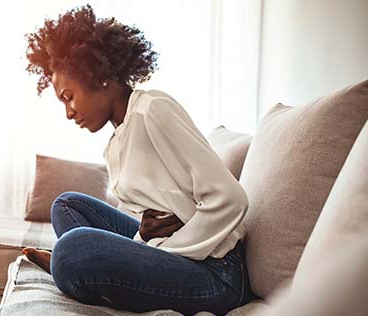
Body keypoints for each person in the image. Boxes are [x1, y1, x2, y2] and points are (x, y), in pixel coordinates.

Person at [21, 4, 253, 316]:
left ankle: (81, 274)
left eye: (69, 97)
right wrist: (142, 238)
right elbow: (151, 224)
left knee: (71, 251)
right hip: (175, 252)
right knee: (67, 206)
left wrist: (153, 249)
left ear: (98, 77)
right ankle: (93, 277)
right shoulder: (119, 136)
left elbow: (231, 199)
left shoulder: (153, 110)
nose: (69, 113)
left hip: (217, 273)